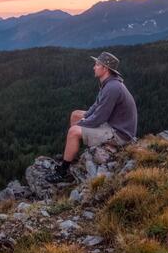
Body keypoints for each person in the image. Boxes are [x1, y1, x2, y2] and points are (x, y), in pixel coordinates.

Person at [45, 51, 138, 184]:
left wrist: (82, 124)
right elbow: (95, 107)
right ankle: (73, 153)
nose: (94, 67)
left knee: (73, 131)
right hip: (113, 124)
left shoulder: (112, 88)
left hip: (120, 134)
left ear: (105, 68)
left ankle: (62, 171)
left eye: (96, 64)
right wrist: (83, 118)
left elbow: (100, 117)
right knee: (76, 114)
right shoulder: (108, 84)